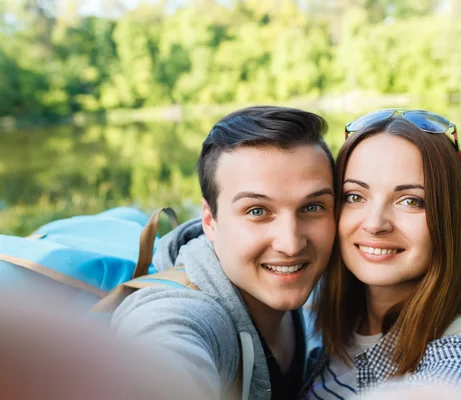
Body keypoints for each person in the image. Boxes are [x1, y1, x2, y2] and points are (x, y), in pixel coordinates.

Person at [111, 106, 336, 400]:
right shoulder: (179, 313)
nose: (291, 244)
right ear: (209, 221)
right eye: (257, 211)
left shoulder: (330, 283)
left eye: (312, 207)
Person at [302, 109, 461, 399]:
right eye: (355, 196)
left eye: (410, 201)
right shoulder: (327, 315)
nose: (374, 224)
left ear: (450, 219)